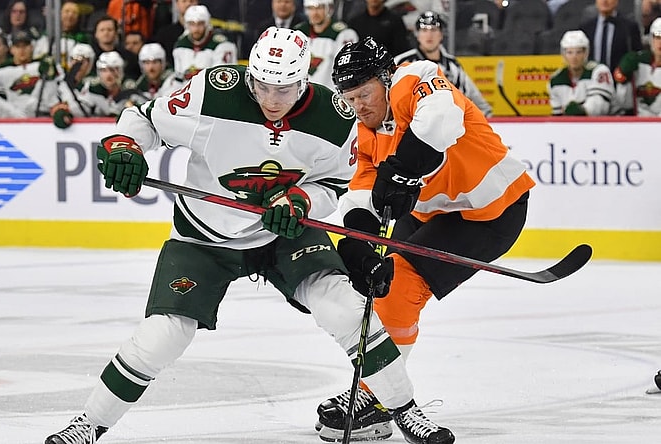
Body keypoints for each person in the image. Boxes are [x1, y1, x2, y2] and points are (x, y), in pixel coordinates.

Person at [44, 26, 452, 444]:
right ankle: (88, 424)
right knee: (162, 336)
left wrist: (300, 201)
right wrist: (124, 146)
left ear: (304, 80)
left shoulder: (334, 117)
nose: (272, 100)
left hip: (283, 232)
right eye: (262, 87)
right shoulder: (214, 93)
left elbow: (334, 184)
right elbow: (144, 118)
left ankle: (405, 410)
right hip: (204, 236)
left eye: (284, 89)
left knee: (345, 309)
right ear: (250, 76)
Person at [313, 36, 534, 442]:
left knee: (400, 286)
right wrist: (359, 250)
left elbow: (440, 121)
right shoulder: (363, 133)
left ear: (385, 78)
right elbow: (361, 197)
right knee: (380, 287)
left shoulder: (415, 77)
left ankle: (373, 399)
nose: (359, 105)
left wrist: (400, 169)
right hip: (429, 212)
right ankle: (380, 390)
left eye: (364, 93)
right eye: (349, 97)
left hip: (489, 209)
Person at [395, 11, 493, 117]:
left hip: (450, 123)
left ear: (441, 34)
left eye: (434, 30)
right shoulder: (402, 63)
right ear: (417, 35)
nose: (429, 35)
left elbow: (480, 104)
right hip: (412, 122)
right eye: (424, 30)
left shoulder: (453, 66)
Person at [0, 30, 84, 125]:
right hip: (13, 120)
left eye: (25, 45)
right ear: (11, 49)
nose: (22, 50)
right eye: (18, 46)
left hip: (45, 118)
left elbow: (63, 90)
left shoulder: (45, 65)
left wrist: (50, 75)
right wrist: (19, 116)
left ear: (32, 47)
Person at [548, 30, 616, 116]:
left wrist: (582, 110)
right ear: (564, 54)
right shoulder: (555, 79)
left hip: (606, 122)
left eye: (578, 52)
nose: (574, 57)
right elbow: (557, 114)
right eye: (569, 52)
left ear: (585, 53)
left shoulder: (599, 71)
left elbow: (600, 106)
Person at [295, 0, 358, 89]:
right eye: (311, 8)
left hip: (330, 91)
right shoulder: (299, 32)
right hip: (304, 91)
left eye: (319, 8)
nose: (315, 13)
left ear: (329, 8)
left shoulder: (343, 33)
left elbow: (346, 70)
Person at [171, 5, 237, 84]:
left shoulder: (223, 45)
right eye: (192, 24)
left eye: (200, 24)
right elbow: (179, 78)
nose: (196, 29)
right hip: (187, 89)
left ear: (207, 24)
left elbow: (222, 80)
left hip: (211, 89)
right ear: (186, 25)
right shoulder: (180, 45)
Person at [613, 17, 661, 116]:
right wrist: (623, 75)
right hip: (637, 121)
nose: (660, 42)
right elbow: (623, 103)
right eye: (658, 37)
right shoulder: (637, 61)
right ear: (651, 39)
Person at [580, 0, 642, 72]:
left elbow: (637, 54)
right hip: (593, 76)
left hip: (620, 76)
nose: (604, 1)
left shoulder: (629, 27)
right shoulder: (586, 28)